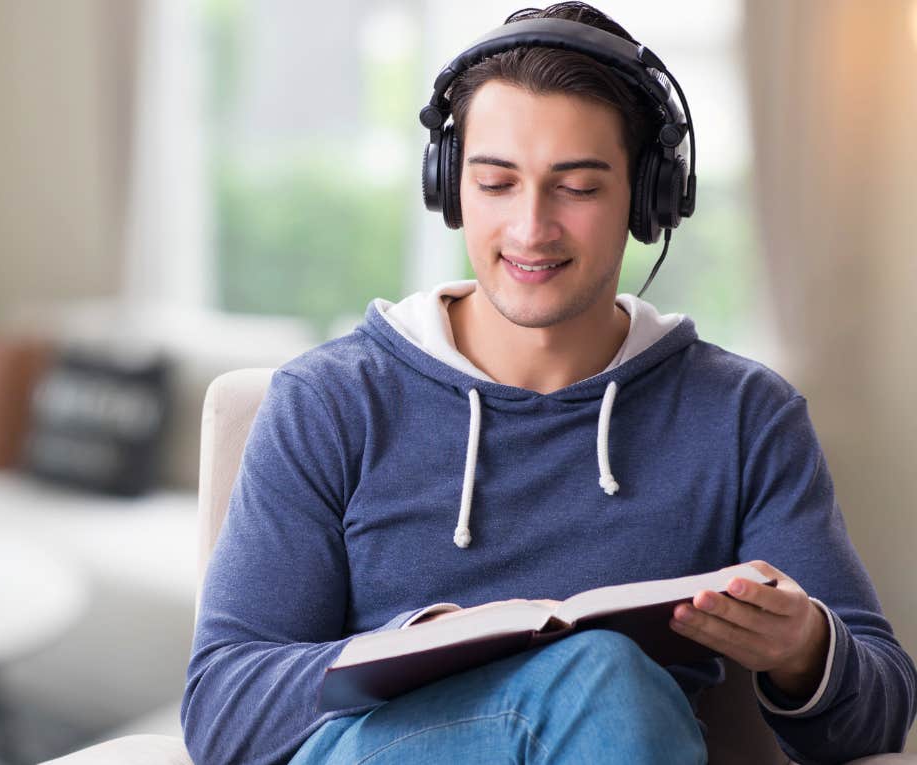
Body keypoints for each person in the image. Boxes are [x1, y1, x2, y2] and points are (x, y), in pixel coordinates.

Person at [181, 3, 916, 764]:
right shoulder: (332, 401)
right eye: (496, 182)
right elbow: (224, 711)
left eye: (579, 188)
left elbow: (879, 712)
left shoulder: (741, 416)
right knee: (604, 678)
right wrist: (410, 649)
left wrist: (805, 647)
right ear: (449, 187)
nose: (531, 228)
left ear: (648, 200)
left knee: (611, 684)